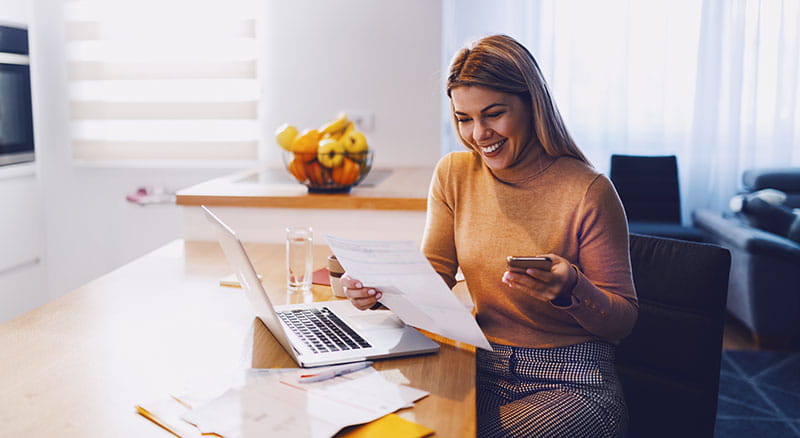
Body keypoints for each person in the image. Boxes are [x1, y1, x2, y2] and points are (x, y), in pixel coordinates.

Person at [342, 34, 638, 437]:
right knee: (377, 425)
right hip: (477, 364)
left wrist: (571, 289)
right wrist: (376, 292)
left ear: (532, 105)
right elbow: (433, 279)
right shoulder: (454, 175)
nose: (478, 134)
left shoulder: (588, 191)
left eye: (493, 114)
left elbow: (622, 322)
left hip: (573, 382)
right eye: (464, 118)